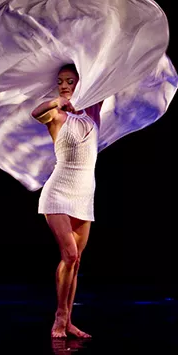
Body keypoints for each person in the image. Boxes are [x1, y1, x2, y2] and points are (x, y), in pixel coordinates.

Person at [31, 64, 103, 338]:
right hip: (58, 191)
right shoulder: (56, 116)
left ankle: (69, 320)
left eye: (70, 81)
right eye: (60, 81)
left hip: (84, 193)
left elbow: (108, 74)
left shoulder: (93, 111)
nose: (64, 85)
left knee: (76, 261)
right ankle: (59, 317)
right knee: (69, 255)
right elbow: (34, 113)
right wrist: (56, 102)